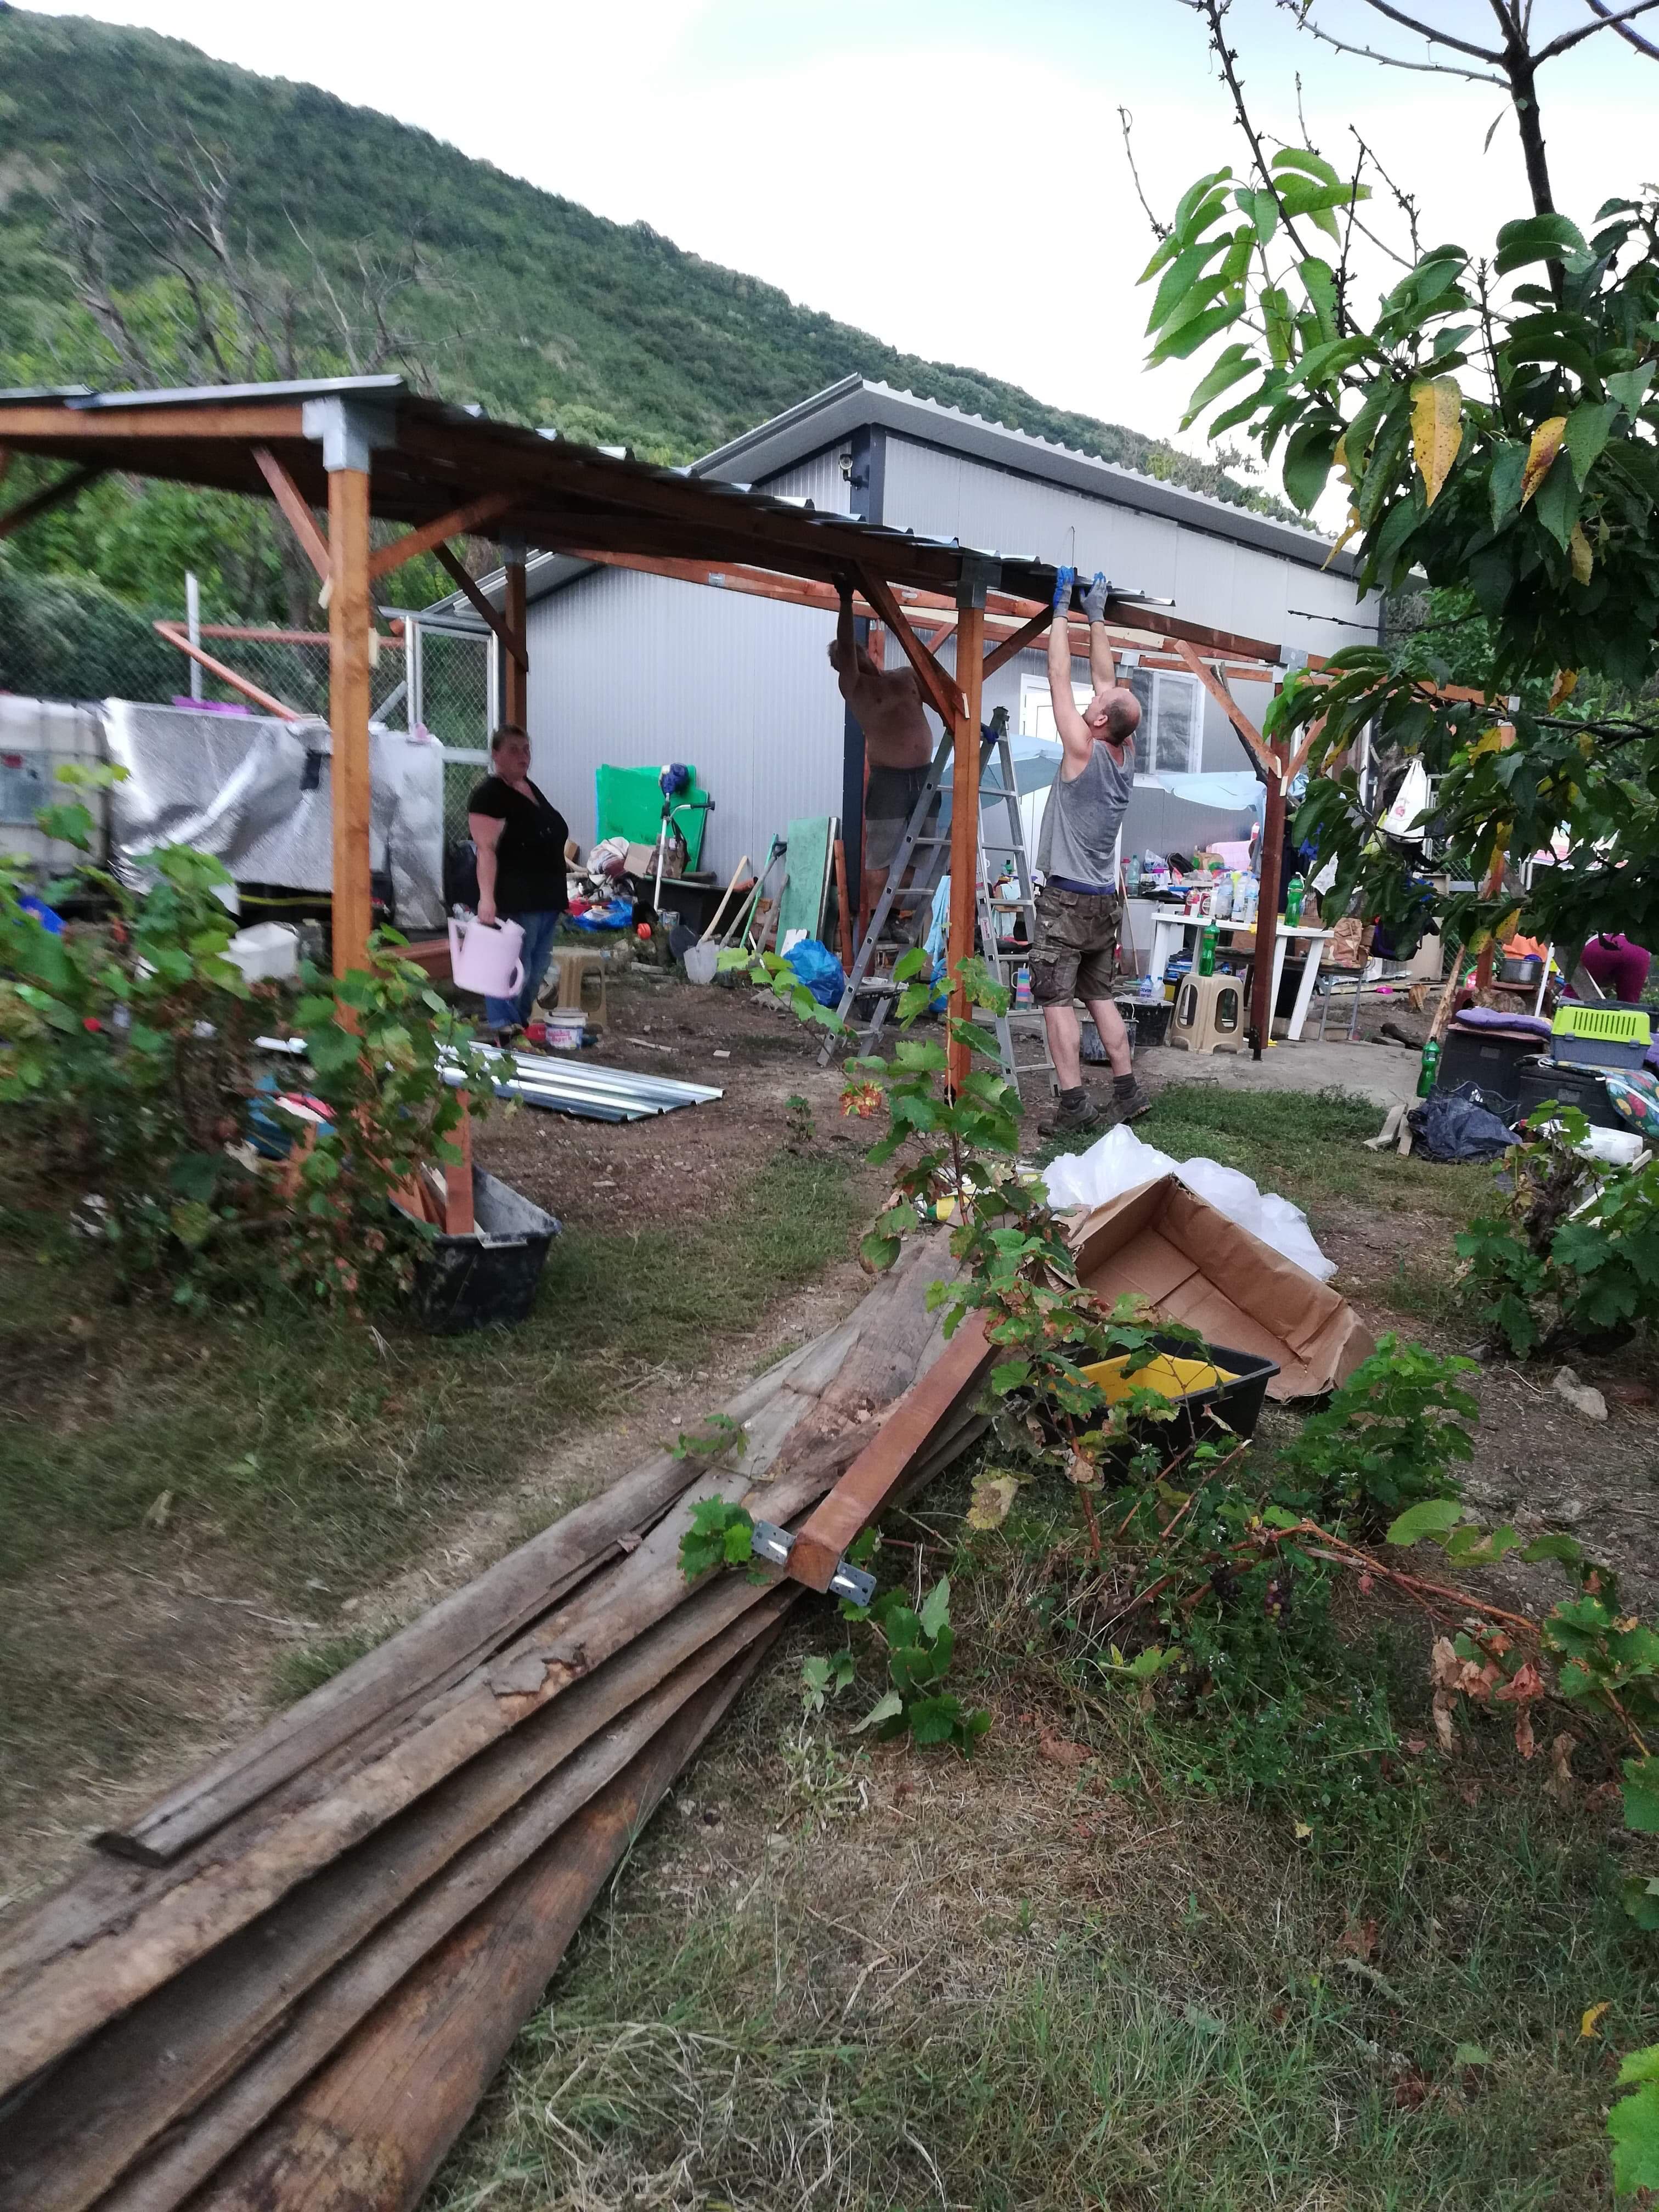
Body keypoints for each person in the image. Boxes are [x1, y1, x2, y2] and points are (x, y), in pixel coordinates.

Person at [1030, 568, 1149, 1137]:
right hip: (1103, 901)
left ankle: (1075, 1103)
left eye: (1099, 701)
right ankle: (1127, 1092)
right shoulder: (1126, 753)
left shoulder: (1082, 748)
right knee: (1099, 996)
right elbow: (1107, 680)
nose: (1094, 695)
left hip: (1068, 902)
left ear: (1100, 720)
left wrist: (1060, 611)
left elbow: (1058, 674)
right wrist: (1096, 617)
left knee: (1056, 999)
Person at [828, 580, 940, 878]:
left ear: (864, 651)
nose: (848, 659)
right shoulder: (855, 688)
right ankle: (881, 907)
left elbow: (942, 703)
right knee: (881, 856)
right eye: (842, 660)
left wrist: (971, 726)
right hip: (889, 779)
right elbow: (846, 649)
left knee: (917, 854)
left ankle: (901, 907)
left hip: (924, 775)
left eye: (850, 653)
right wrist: (846, 599)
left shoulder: (905, 675)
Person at [466, 724, 571, 1038]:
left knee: (536, 970)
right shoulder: (489, 795)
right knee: (513, 966)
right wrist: (486, 899)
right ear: (496, 755)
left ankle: (519, 1027)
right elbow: (486, 850)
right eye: (513, 750)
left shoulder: (530, 788)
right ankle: (504, 1027)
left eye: (526, 749)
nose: (523, 756)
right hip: (516, 899)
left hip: (547, 898)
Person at [1581, 931, 1651, 1002]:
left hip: (1599, 946)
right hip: (1638, 951)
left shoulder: (1590, 943)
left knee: (1578, 991)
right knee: (1629, 1003)